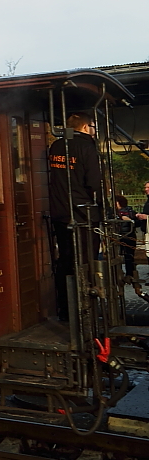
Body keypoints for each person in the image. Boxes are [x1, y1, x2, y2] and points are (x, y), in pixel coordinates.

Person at [47, 112, 103, 321]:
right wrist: (101, 206)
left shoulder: (56, 146)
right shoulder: (87, 147)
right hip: (84, 213)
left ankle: (64, 308)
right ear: (86, 127)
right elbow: (94, 183)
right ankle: (85, 309)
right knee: (87, 261)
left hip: (61, 211)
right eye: (94, 126)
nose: (95, 130)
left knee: (66, 259)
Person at [114, 194, 138, 283]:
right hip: (125, 235)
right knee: (127, 256)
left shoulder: (127, 211)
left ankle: (128, 273)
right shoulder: (129, 211)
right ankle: (128, 273)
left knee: (127, 256)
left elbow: (136, 221)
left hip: (126, 235)